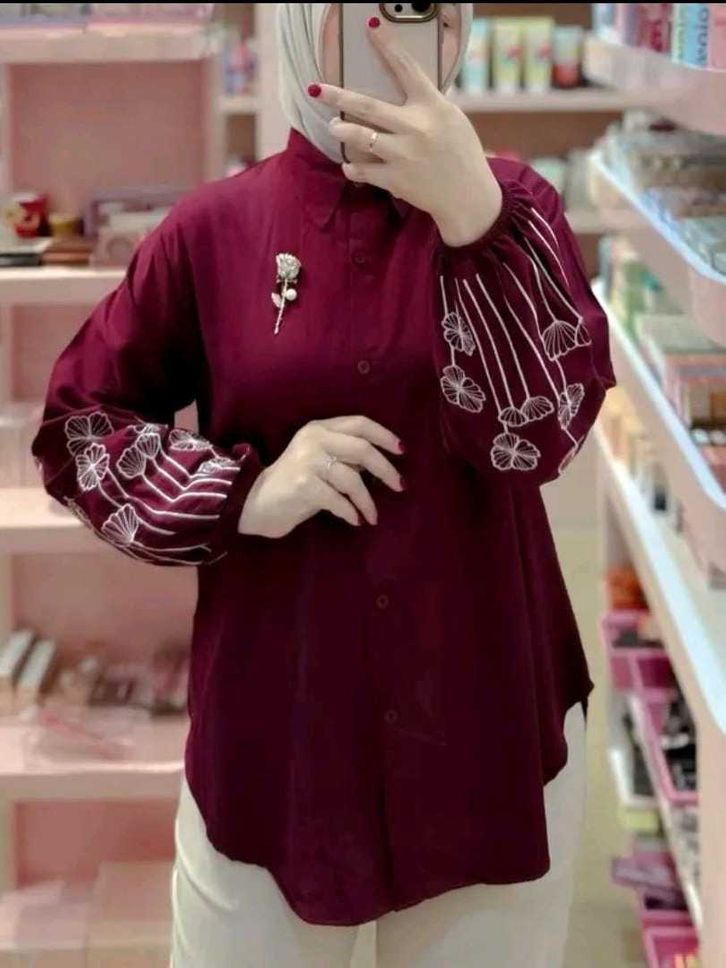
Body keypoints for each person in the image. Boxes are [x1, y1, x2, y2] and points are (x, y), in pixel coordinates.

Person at [31, 4, 616, 966]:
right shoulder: (216, 230)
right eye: (372, 11)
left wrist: (477, 222)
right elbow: (79, 426)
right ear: (305, 23)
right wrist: (243, 494)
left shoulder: (519, 212)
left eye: (432, 14)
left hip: (482, 721)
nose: (403, 42)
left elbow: (545, 436)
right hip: (277, 735)